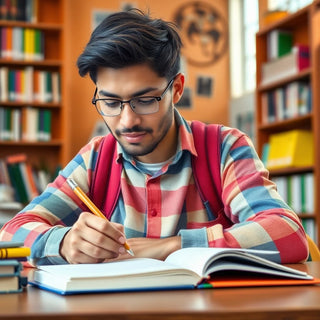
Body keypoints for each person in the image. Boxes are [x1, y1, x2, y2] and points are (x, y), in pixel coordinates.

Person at [0, 10, 308, 265]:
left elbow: (288, 233)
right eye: (110, 103)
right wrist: (65, 241)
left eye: (145, 100)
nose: (127, 120)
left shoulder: (224, 147)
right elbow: (11, 233)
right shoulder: (96, 159)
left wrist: (173, 246)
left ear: (176, 89)